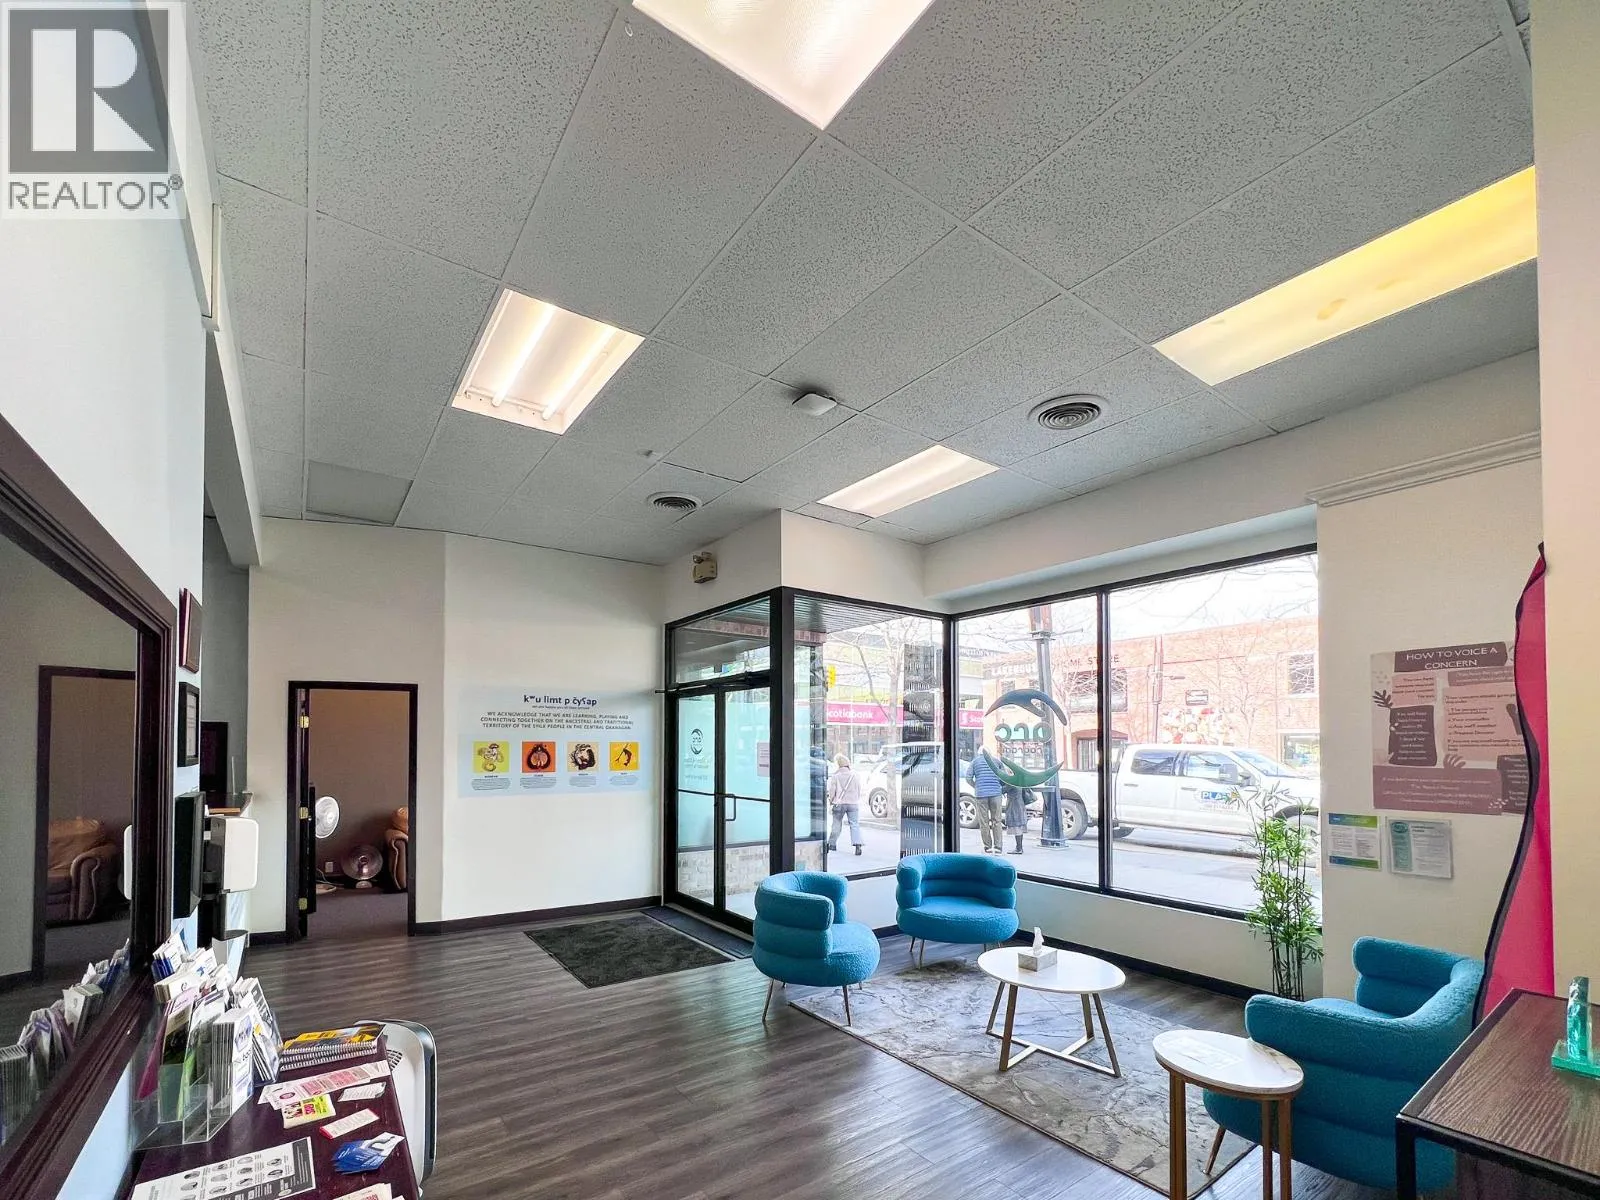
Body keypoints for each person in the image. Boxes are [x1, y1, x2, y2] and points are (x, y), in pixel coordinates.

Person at [966, 748, 1006, 854]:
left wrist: (976, 786)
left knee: (984, 822)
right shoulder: (997, 761)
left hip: (981, 795)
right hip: (996, 794)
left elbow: (968, 777)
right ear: (990, 753)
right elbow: (1004, 777)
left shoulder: (975, 762)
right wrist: (999, 786)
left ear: (979, 753)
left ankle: (987, 847)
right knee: (997, 821)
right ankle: (998, 847)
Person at [826, 753, 865, 856]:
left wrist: (831, 800)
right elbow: (858, 789)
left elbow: (832, 791)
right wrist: (855, 799)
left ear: (838, 764)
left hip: (839, 804)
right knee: (854, 824)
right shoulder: (855, 775)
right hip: (853, 803)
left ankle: (832, 844)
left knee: (836, 823)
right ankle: (857, 844)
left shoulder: (836, 776)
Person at [1003, 783, 1028, 855]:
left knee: (1017, 827)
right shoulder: (1019, 781)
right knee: (1019, 827)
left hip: (1014, 805)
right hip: (1019, 803)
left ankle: (1019, 848)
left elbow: (1003, 790)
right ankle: (1019, 847)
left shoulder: (1012, 783)